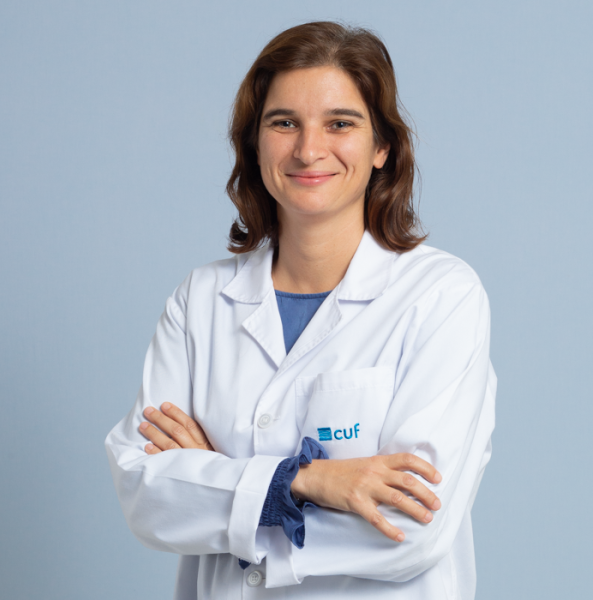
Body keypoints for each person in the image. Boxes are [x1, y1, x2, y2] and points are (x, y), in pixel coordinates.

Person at [106, 21, 496, 600]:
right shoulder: (200, 301)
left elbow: (412, 524)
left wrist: (217, 484)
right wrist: (308, 480)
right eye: (284, 122)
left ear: (382, 147)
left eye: (340, 123)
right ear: (254, 144)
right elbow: (146, 494)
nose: (309, 149)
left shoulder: (440, 296)